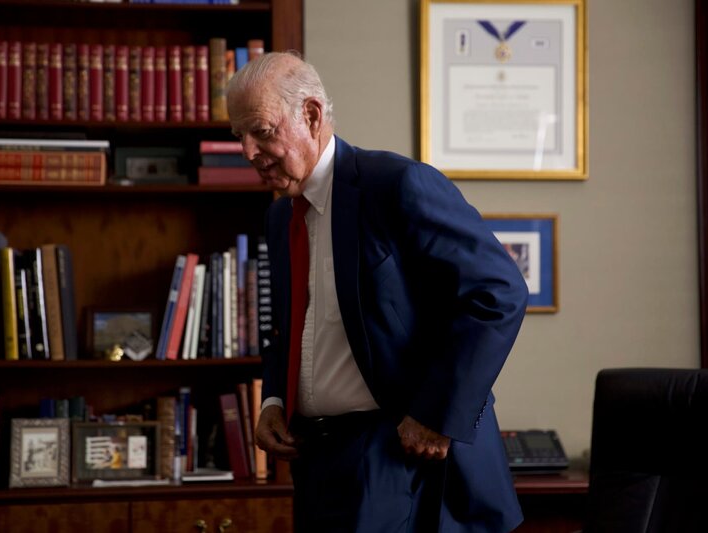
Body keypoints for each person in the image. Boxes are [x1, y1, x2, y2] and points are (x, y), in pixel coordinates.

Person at [226, 51, 528, 533]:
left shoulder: (398, 185)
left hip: (400, 456)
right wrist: (273, 401)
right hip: (317, 460)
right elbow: (291, 326)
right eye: (237, 135)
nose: (246, 151)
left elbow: (499, 293)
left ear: (311, 115)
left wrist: (436, 413)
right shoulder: (280, 215)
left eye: (261, 131)